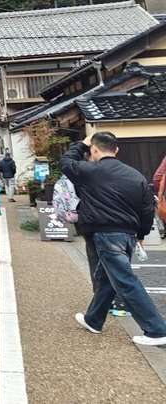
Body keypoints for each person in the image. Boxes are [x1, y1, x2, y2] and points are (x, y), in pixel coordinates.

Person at [63, 133, 166, 346]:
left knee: (125, 281)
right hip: (128, 235)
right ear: (116, 150)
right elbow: (147, 209)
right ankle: (94, 319)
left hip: (105, 234)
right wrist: (141, 235)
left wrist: (81, 144)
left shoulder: (88, 171)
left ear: (94, 149)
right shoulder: (135, 175)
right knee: (107, 279)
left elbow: (66, 162)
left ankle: (156, 330)